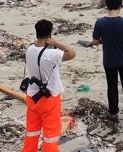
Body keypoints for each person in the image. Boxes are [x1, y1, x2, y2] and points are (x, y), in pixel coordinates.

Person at [22, 19, 76, 152]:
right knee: (50, 134)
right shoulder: (51, 54)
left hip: (32, 95)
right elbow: (72, 53)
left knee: (32, 130)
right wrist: (57, 43)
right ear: (49, 34)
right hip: (49, 97)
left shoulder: (29, 48)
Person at [91, 0, 123, 122]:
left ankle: (113, 113)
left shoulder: (100, 22)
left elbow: (95, 41)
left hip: (109, 60)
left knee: (111, 87)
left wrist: (105, 40)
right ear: (120, 6)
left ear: (107, 6)